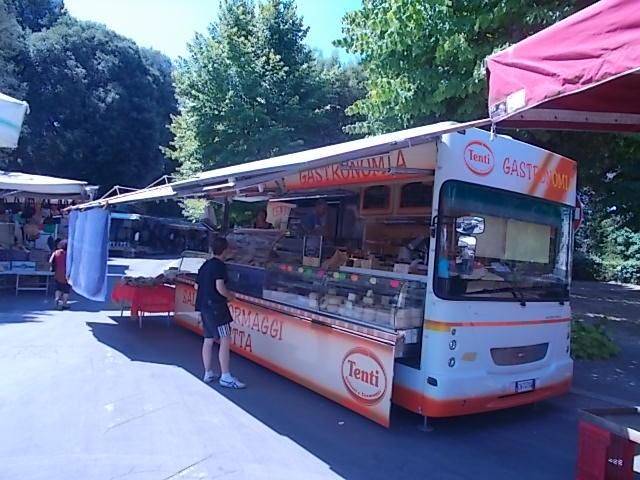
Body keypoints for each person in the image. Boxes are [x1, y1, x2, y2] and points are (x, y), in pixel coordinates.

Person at [195, 237, 246, 389]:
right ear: (225, 250)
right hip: (217, 308)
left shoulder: (205, 265)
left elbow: (197, 286)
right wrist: (231, 296)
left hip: (203, 307)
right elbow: (220, 287)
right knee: (225, 338)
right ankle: (225, 376)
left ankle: (208, 372)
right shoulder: (220, 266)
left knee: (208, 338)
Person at [49, 239, 71, 310]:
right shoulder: (69, 254)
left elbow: (50, 261)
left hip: (58, 273)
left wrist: (53, 268)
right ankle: (64, 303)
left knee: (58, 288)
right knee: (66, 289)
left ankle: (57, 299)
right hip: (68, 274)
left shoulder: (56, 252)